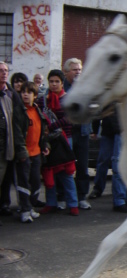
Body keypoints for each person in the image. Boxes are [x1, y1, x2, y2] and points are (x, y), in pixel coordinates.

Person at [37, 69, 79, 213]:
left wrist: (51, 126)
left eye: (57, 82)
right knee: (49, 171)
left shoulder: (68, 99)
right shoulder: (43, 99)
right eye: (51, 81)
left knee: (66, 173)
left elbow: (69, 119)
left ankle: (73, 204)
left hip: (64, 139)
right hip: (48, 141)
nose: (54, 84)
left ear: (62, 83)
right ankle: (51, 202)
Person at [12, 82, 49, 222]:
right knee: (23, 183)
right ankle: (25, 210)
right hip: (25, 154)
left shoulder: (37, 110)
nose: (25, 95)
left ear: (34, 95)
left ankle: (30, 206)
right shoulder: (18, 111)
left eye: (29, 92)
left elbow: (42, 131)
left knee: (35, 182)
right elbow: (17, 134)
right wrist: (22, 154)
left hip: (37, 153)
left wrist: (45, 145)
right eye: (23, 92)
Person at [89, 109, 127, 213]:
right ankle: (124, 198)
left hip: (121, 129)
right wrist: (94, 129)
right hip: (114, 129)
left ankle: (122, 199)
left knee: (117, 164)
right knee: (107, 162)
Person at [63, 58, 91, 210]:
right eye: (75, 69)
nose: (78, 72)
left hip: (82, 131)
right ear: (66, 72)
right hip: (66, 132)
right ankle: (64, 198)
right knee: (64, 166)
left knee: (82, 166)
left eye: (80, 69)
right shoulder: (61, 87)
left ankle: (82, 197)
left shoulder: (85, 87)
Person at [0, 62, 18, 218]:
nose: (4, 73)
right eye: (1, 71)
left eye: (6, 70)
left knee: (6, 178)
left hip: (8, 143)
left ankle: (4, 204)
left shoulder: (11, 94)